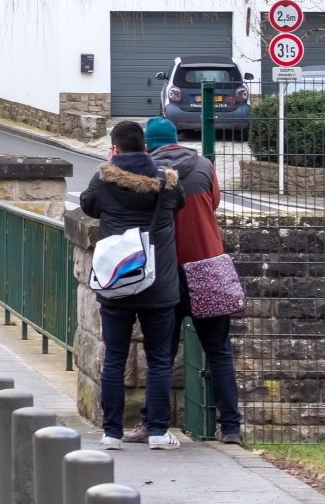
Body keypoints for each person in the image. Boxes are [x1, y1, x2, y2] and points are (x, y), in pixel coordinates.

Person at [122, 117, 242, 444]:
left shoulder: (145, 171)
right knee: (218, 351)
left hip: (166, 270)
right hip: (207, 266)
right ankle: (230, 428)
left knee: (161, 353)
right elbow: (213, 204)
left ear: (149, 144)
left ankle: (152, 424)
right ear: (176, 139)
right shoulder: (205, 165)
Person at [80, 120, 187, 450]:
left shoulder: (103, 179)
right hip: (158, 284)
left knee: (115, 358)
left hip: (117, 282)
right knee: (158, 359)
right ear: (145, 148)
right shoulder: (167, 183)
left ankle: (111, 432)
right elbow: (179, 206)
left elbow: (87, 205)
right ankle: (157, 431)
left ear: (114, 149)